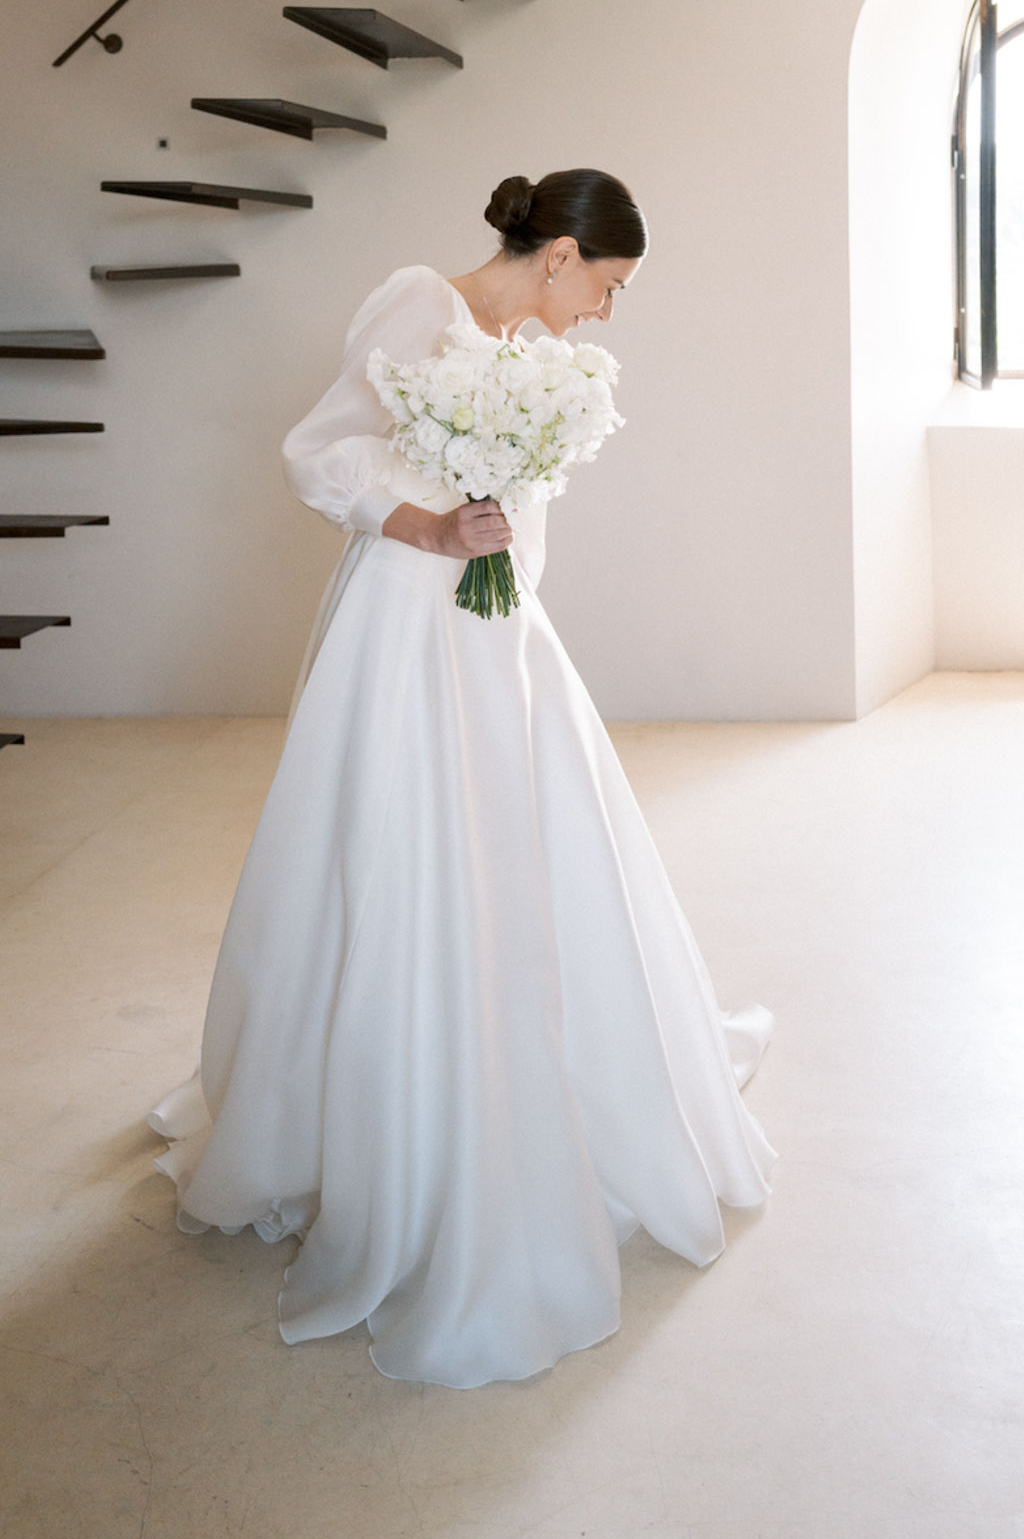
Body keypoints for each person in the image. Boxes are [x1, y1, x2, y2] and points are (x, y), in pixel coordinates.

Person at [150, 167, 775, 1389]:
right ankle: (396, 1115)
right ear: (557, 254)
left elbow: (517, 504)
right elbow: (317, 451)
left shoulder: (535, 354)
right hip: (401, 620)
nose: (604, 312)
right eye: (605, 284)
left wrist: (495, 553)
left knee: (530, 846)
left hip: (494, 624)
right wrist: (431, 529)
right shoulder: (417, 305)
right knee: (390, 854)